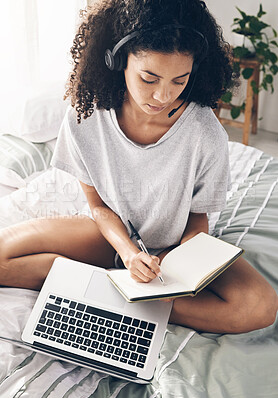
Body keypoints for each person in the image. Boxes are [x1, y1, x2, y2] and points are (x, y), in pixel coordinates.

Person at [0, 0, 277, 333]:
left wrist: (178, 273)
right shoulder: (85, 118)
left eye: (179, 81)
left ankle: (121, 296)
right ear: (119, 62)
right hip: (108, 237)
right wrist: (129, 255)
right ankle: (118, 287)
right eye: (149, 78)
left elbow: (197, 219)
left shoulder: (205, 133)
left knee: (259, 307)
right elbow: (98, 206)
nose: (162, 96)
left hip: (175, 247)